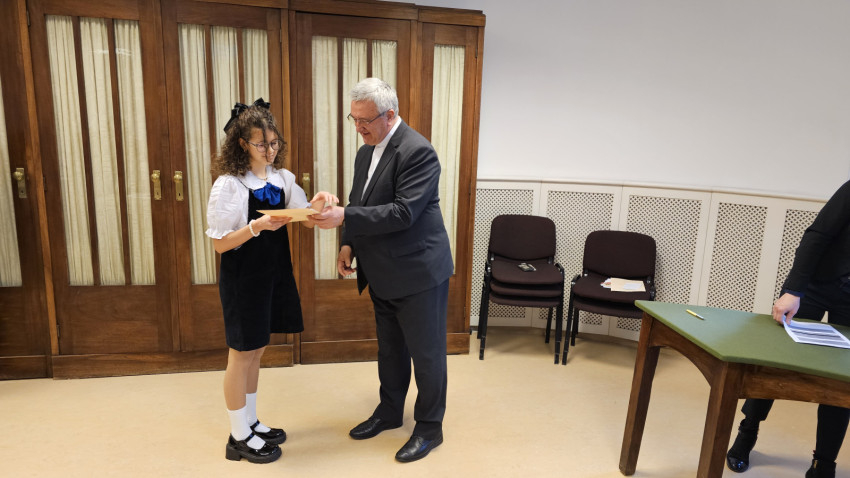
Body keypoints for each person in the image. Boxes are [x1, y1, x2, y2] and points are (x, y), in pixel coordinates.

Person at [309, 78, 454, 463]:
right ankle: (389, 412)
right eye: (353, 119)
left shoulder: (418, 151)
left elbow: (403, 213)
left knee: (426, 354)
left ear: (389, 115)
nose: (358, 127)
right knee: (390, 350)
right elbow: (358, 202)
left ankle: (429, 427)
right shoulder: (365, 152)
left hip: (419, 272)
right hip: (383, 271)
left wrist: (345, 216)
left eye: (365, 120)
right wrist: (348, 243)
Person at [206, 99, 337, 464]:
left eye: (274, 142)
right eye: (261, 144)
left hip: (273, 274)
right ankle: (238, 437)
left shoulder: (281, 178)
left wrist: (319, 203)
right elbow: (219, 244)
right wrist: (256, 226)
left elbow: (305, 219)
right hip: (242, 279)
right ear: (242, 144)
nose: (270, 150)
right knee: (241, 353)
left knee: (257, 350)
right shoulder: (229, 185)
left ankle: (250, 422)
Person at [726, 179, 850, 478]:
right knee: (776, 361)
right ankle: (748, 430)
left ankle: (823, 463)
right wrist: (794, 290)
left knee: (843, 379)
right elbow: (817, 236)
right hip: (814, 284)